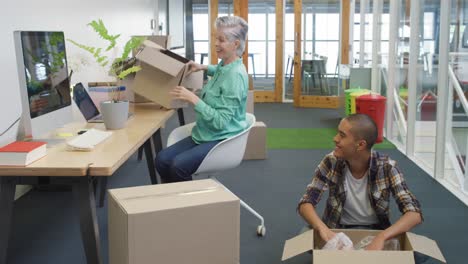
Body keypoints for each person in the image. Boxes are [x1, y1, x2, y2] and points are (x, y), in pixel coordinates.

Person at [298, 113, 423, 251]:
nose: (335, 139)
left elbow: (414, 213)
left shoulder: (387, 167)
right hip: (338, 228)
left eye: (342, 135)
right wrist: (322, 228)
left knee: (418, 252)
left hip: (375, 230)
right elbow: (306, 202)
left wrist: (381, 237)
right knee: (305, 234)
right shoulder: (331, 161)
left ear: (360, 144)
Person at [155, 15, 249, 183]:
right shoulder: (226, 64)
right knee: (162, 159)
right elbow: (220, 72)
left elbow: (220, 122)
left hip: (221, 138)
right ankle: (172, 202)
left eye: (221, 39)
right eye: (215, 38)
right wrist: (204, 67)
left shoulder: (236, 76)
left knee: (178, 166)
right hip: (205, 133)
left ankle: (189, 205)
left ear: (235, 44)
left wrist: (194, 99)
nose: (216, 43)